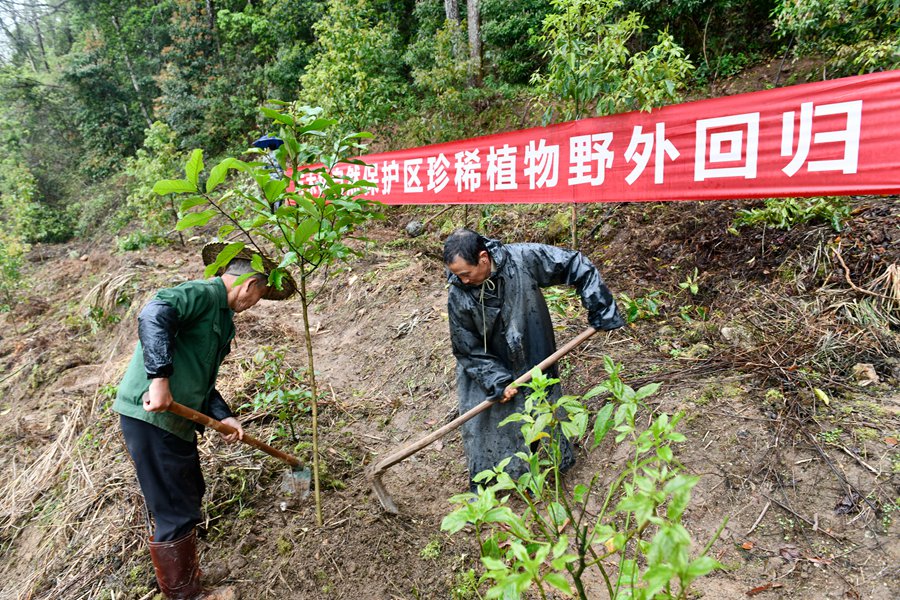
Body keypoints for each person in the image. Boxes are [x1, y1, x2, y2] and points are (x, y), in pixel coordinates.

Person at [113, 243, 295, 600]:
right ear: (251, 284)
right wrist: (159, 379)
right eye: (261, 295)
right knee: (174, 506)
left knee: (188, 491)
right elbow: (153, 314)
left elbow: (203, 379)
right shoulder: (202, 293)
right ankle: (186, 595)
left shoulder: (222, 320)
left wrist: (225, 415)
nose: (256, 303)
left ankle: (183, 575)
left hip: (175, 420)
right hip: (152, 414)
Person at [443, 228, 624, 492]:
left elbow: (574, 263)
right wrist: (495, 380)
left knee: (541, 409)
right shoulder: (458, 292)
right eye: (456, 274)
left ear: (483, 258)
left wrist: (600, 305)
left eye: (465, 274)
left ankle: (547, 475)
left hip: (533, 351)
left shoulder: (521, 259)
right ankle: (492, 486)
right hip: (484, 364)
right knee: (486, 426)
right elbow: (466, 346)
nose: (462, 280)